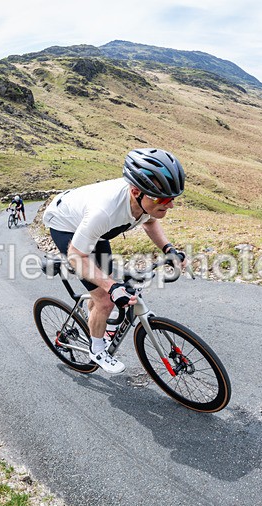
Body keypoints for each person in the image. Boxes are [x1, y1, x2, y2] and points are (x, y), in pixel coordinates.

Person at [43, 148, 187, 374]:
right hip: (66, 226)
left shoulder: (144, 199)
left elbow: (149, 222)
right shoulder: (104, 212)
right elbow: (76, 256)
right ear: (135, 191)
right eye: (163, 199)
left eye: (173, 198)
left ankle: (95, 318)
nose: (170, 205)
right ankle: (97, 350)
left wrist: (168, 249)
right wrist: (110, 287)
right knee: (105, 299)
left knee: (104, 291)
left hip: (96, 232)